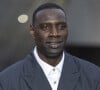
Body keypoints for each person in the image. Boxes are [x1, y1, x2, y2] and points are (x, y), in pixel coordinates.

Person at [0, 3, 100, 90]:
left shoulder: (93, 76)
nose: (55, 33)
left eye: (61, 27)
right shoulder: (7, 80)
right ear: (32, 31)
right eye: (45, 27)